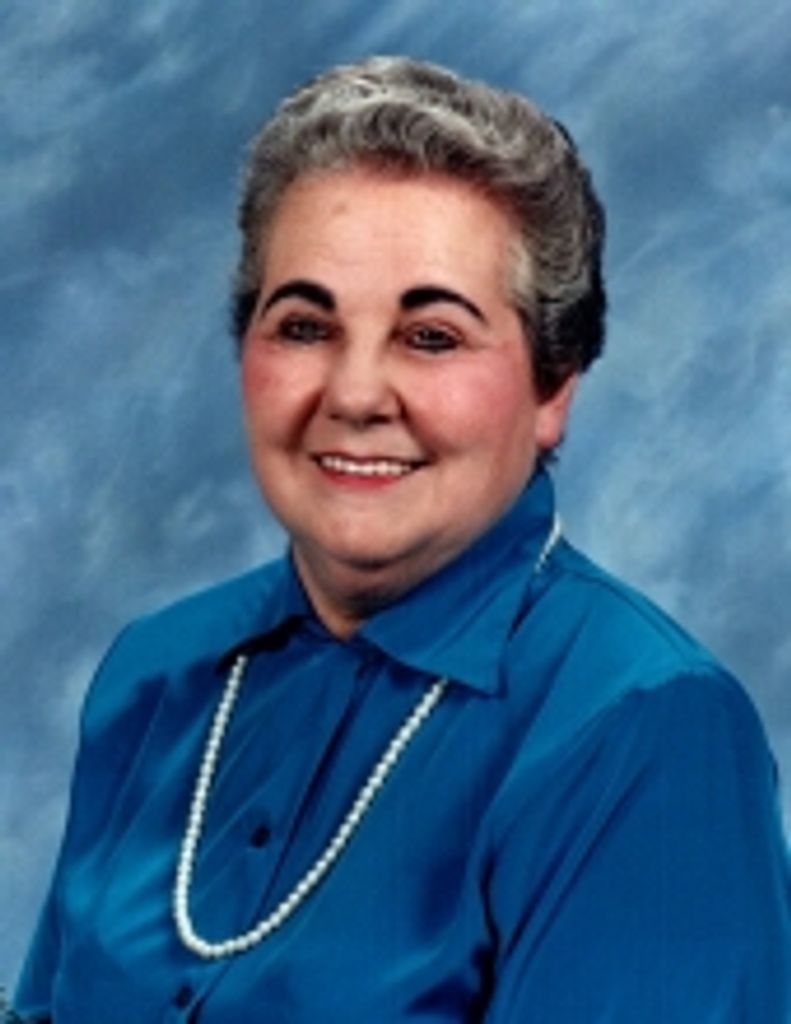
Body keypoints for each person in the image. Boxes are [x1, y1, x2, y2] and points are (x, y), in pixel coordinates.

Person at [14, 56, 790, 1023]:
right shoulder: (154, 673)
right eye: (304, 326)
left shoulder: (642, 727)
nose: (353, 395)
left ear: (553, 387)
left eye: (431, 337)